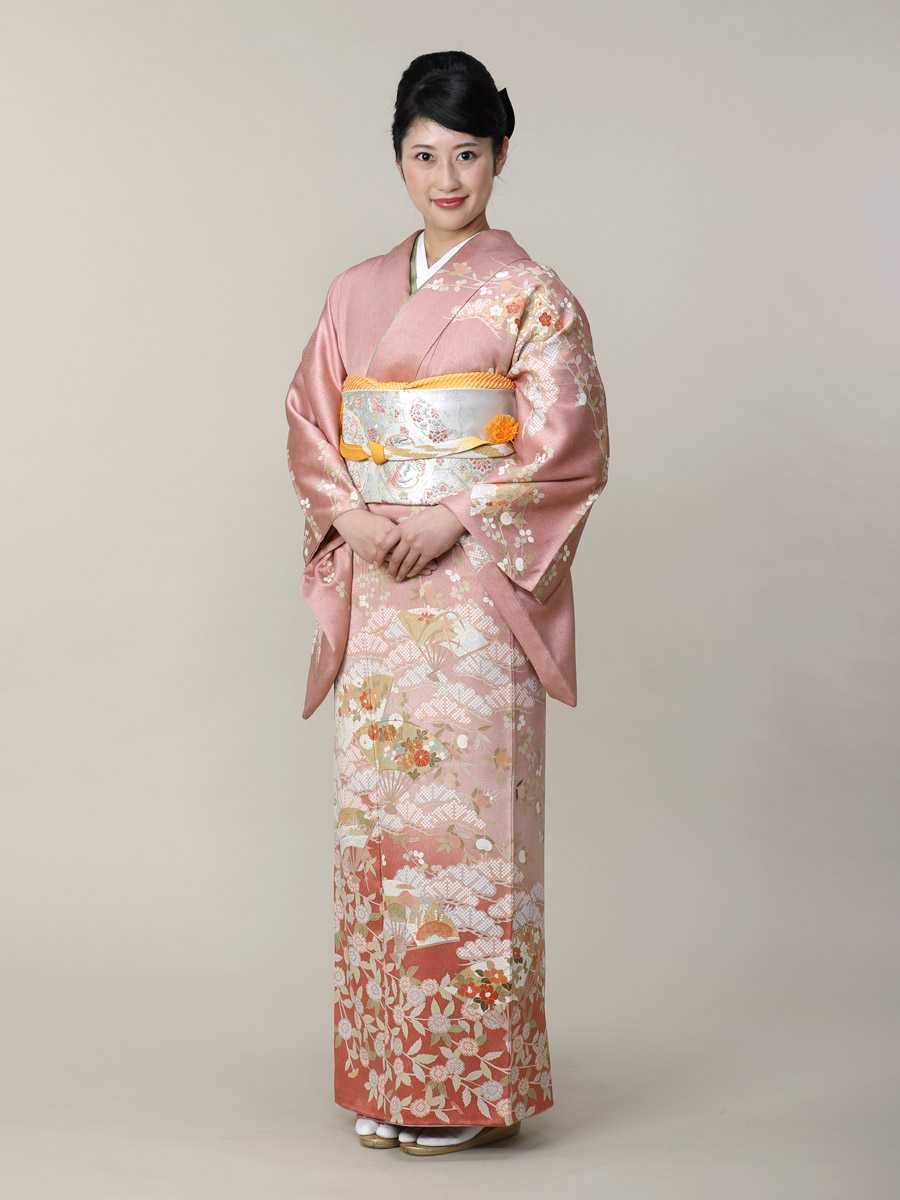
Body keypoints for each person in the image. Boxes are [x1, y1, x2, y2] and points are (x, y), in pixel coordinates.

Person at [284, 49, 610, 1157]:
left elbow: (568, 445)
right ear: (399, 160)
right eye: (425, 156)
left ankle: (470, 1088)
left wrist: (457, 514)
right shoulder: (354, 292)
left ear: (499, 156)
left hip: (474, 594)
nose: (446, 178)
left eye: (467, 154)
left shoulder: (533, 295)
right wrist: (353, 513)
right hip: (381, 580)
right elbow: (312, 420)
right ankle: (390, 1074)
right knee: (382, 829)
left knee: (470, 831)